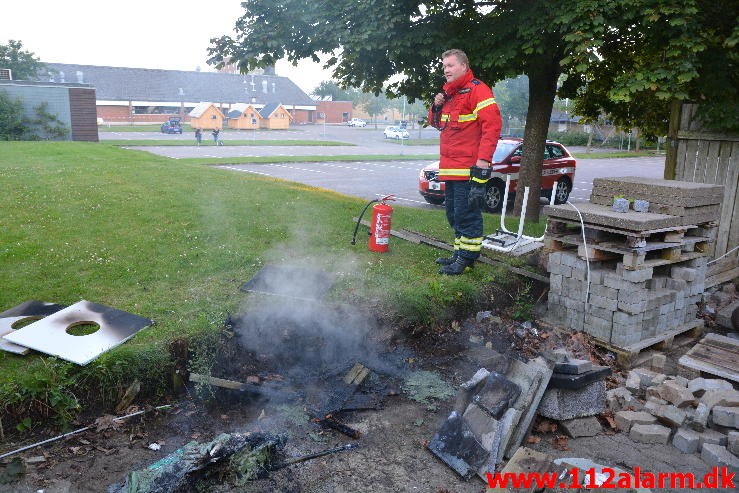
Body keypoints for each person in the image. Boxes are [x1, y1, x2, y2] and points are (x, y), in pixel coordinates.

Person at [428, 49, 502, 275]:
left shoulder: (478, 90)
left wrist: (482, 161)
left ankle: (467, 259)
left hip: (468, 169)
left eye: (450, 66)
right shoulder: (449, 95)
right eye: (444, 67)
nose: (446, 70)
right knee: (453, 213)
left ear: (463, 66)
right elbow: (435, 123)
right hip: (450, 167)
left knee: (466, 213)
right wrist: (437, 105)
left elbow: (493, 126)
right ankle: (459, 254)